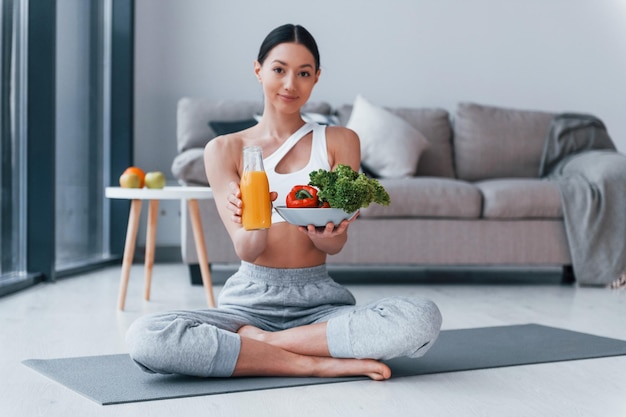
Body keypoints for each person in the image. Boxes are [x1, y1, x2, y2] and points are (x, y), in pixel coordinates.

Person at [126, 23, 442, 381]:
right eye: (279, 70)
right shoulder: (224, 149)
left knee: (422, 318)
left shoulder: (340, 140)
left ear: (316, 77)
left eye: (303, 73)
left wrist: (326, 232)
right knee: (146, 337)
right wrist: (252, 215)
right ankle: (311, 362)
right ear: (258, 70)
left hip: (320, 305)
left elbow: (336, 245)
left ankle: (263, 345)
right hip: (248, 305)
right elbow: (247, 249)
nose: (291, 84)